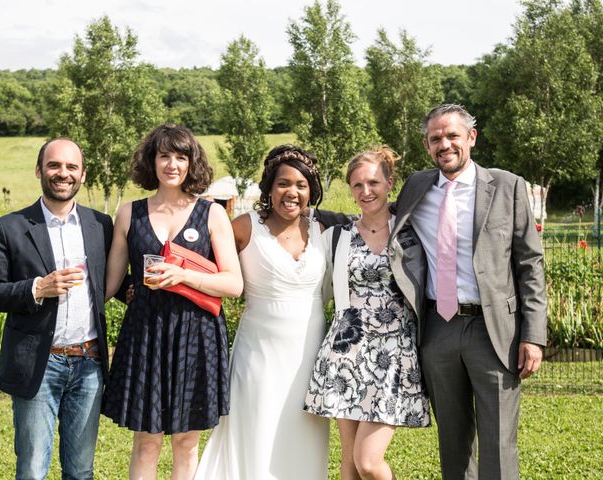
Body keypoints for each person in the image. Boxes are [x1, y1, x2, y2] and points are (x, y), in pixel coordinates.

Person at [392, 104, 547, 479]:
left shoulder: (508, 186)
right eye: (435, 139)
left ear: (471, 138)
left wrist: (534, 336)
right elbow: (375, 216)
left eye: (452, 136)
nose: (444, 144)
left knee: (497, 443)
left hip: (494, 332)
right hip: (437, 330)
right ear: (427, 145)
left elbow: (530, 265)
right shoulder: (417, 186)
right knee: (453, 443)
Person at [101, 124, 242, 480]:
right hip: (145, 333)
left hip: (195, 335)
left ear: (192, 162)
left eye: (181, 156)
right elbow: (109, 283)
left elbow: (234, 283)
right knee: (146, 441)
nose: (172, 164)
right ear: (152, 161)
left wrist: (185, 277)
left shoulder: (211, 213)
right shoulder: (129, 214)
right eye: (164, 155)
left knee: (185, 441)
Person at [0, 138, 114, 479]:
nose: (62, 173)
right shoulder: (10, 226)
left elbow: (113, 280)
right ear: (39, 170)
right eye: (54, 165)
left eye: (71, 167)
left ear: (83, 174)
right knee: (33, 469)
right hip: (39, 362)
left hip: (89, 363)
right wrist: (37, 287)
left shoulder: (101, 225)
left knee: (81, 470)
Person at [195, 145, 330, 479]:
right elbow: (200, 264)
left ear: (311, 190)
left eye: (301, 184)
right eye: (284, 183)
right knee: (256, 430)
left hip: (310, 356)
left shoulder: (322, 230)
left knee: (305, 436)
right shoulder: (243, 226)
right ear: (269, 187)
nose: (292, 192)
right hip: (259, 356)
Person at [305, 147, 430, 480]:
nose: (366, 191)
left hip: (394, 356)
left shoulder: (411, 232)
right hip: (346, 353)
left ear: (390, 183)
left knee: (369, 461)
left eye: (373, 182)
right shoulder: (337, 236)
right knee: (349, 460)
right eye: (357, 185)